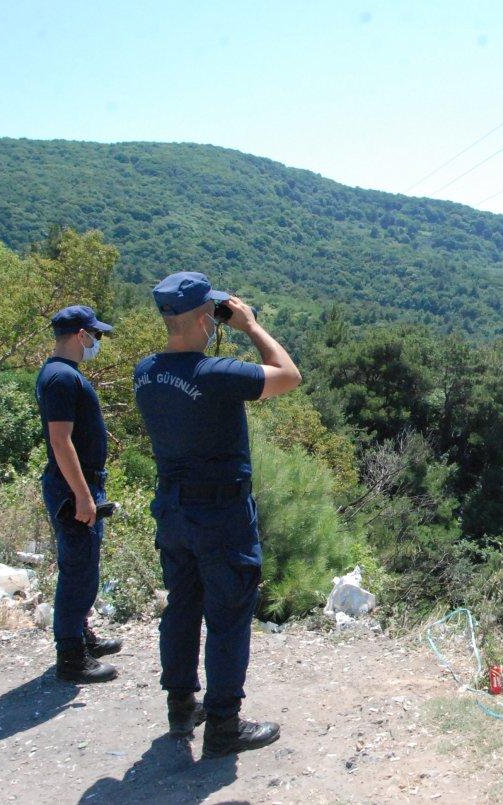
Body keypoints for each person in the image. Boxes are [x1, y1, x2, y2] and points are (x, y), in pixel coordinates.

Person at [134, 272, 301, 756]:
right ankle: (224, 724)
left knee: (182, 607)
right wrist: (249, 326)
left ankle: (182, 707)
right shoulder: (216, 374)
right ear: (203, 317)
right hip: (221, 511)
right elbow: (288, 375)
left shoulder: (144, 371)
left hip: (172, 508)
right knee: (228, 614)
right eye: (212, 313)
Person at [35, 305, 122, 684]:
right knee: (78, 570)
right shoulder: (60, 378)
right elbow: (60, 440)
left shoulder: (63, 374)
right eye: (95, 335)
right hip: (75, 486)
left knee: (84, 566)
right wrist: (83, 496)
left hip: (80, 482)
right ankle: (71, 656)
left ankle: (80, 636)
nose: (96, 341)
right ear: (79, 335)